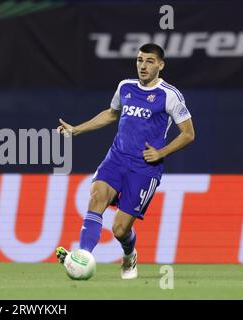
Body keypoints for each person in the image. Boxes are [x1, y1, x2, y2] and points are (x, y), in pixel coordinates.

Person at [56, 43, 195, 279]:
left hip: (144, 168)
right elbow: (111, 113)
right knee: (96, 196)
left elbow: (188, 134)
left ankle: (129, 254)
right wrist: (77, 130)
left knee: (120, 229)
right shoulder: (125, 87)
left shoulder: (169, 95)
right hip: (116, 158)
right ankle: (83, 256)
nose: (143, 65)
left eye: (150, 61)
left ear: (161, 65)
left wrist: (161, 153)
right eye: (140, 60)